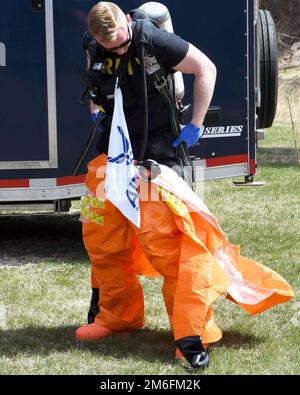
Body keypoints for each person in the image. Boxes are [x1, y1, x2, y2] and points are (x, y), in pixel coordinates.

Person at [75, 1, 293, 370]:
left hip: (154, 163)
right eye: (109, 47)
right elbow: (95, 87)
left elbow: (205, 68)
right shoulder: (93, 44)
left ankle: (192, 334)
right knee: (101, 240)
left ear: (128, 22)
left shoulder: (155, 41)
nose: (117, 50)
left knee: (175, 250)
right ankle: (116, 315)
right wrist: (97, 112)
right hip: (110, 161)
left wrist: (196, 124)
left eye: (121, 43)